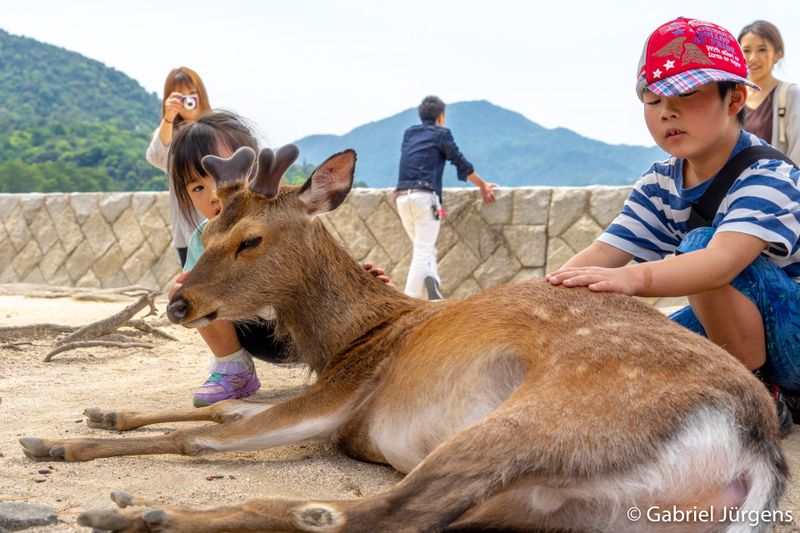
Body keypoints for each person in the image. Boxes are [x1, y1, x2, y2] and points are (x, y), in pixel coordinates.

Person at [544, 18, 800, 437]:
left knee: (700, 245)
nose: (667, 111)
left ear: (735, 98)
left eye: (687, 94)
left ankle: (758, 393)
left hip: (793, 333)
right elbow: (604, 253)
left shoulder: (768, 175)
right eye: (653, 99)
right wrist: (543, 296)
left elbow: (718, 265)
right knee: (637, 352)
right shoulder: (660, 182)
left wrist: (630, 279)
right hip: (736, 324)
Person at [168, 111, 390, 407]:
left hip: (311, 327)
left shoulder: (281, 221)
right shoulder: (203, 237)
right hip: (253, 332)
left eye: (231, 179)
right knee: (182, 292)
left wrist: (356, 282)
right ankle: (233, 368)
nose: (214, 195)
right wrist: (189, 287)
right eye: (197, 187)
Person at [393, 95, 498, 300]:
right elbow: (460, 162)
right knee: (423, 251)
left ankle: (434, 287)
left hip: (402, 198)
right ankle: (408, 300)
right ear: (441, 117)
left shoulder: (409, 133)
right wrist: (483, 185)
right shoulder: (442, 134)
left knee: (424, 247)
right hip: (425, 199)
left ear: (420, 115)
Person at [146, 67, 212, 267]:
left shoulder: (217, 127)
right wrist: (168, 118)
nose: (188, 100)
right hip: (186, 229)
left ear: (201, 94)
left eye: (192, 94)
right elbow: (156, 156)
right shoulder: (170, 133)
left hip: (219, 222)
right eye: (179, 96)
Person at [738, 21, 800, 164]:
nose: (753, 58)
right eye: (746, 50)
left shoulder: (791, 95)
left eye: (762, 49)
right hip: (737, 185)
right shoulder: (733, 98)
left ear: (778, 53)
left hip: (779, 184)